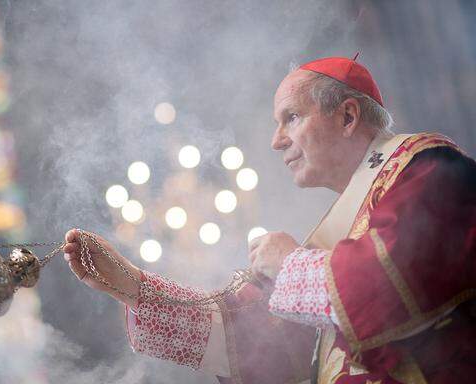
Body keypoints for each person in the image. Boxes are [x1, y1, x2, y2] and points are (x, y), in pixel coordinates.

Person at [62, 56, 476, 384]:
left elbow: (390, 285)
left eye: (291, 117)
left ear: (347, 117)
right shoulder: (346, 229)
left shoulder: (432, 170)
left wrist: (289, 263)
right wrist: (132, 286)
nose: (276, 141)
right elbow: (254, 342)